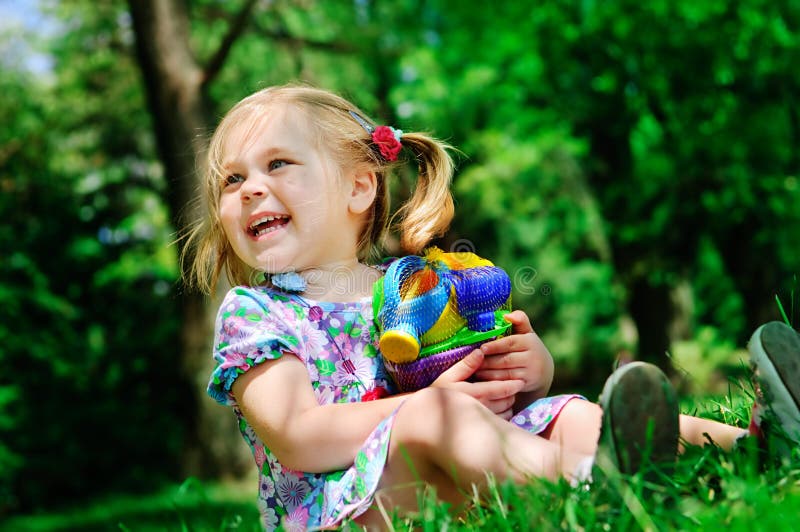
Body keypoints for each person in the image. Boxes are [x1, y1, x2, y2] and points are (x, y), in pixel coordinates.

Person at [182, 84, 800, 531]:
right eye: (231, 181)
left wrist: (524, 369)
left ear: (359, 186)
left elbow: (484, 393)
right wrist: (427, 407)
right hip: (341, 511)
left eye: (278, 164)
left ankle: (750, 446)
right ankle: (595, 488)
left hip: (444, 471)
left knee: (564, 414)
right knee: (435, 421)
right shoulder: (254, 312)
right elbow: (297, 437)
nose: (251, 189)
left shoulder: (410, 288)